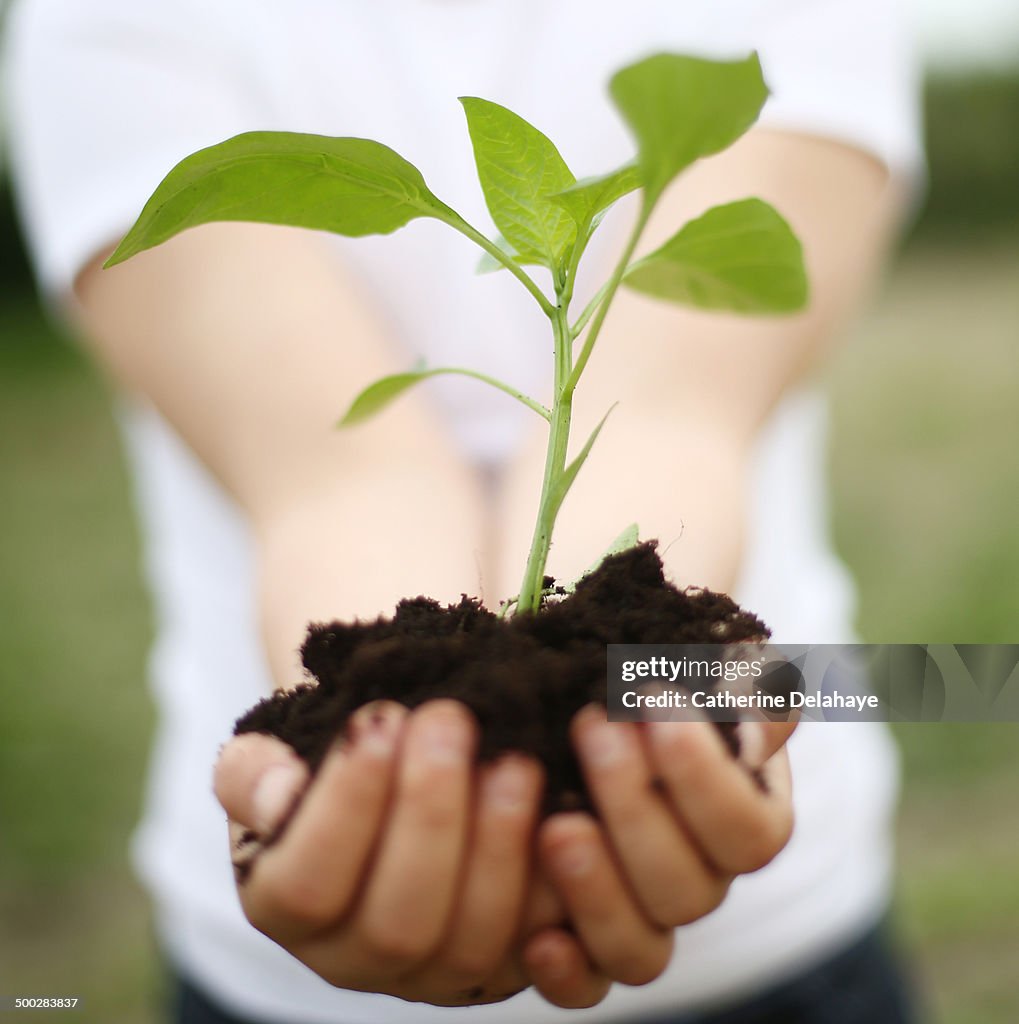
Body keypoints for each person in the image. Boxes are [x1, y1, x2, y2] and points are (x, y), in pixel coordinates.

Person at [2, 0, 924, 1021]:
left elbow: (670, 412)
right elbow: (342, 474)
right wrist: (371, 719)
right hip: (286, 966)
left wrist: (638, 679)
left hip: (776, 948)